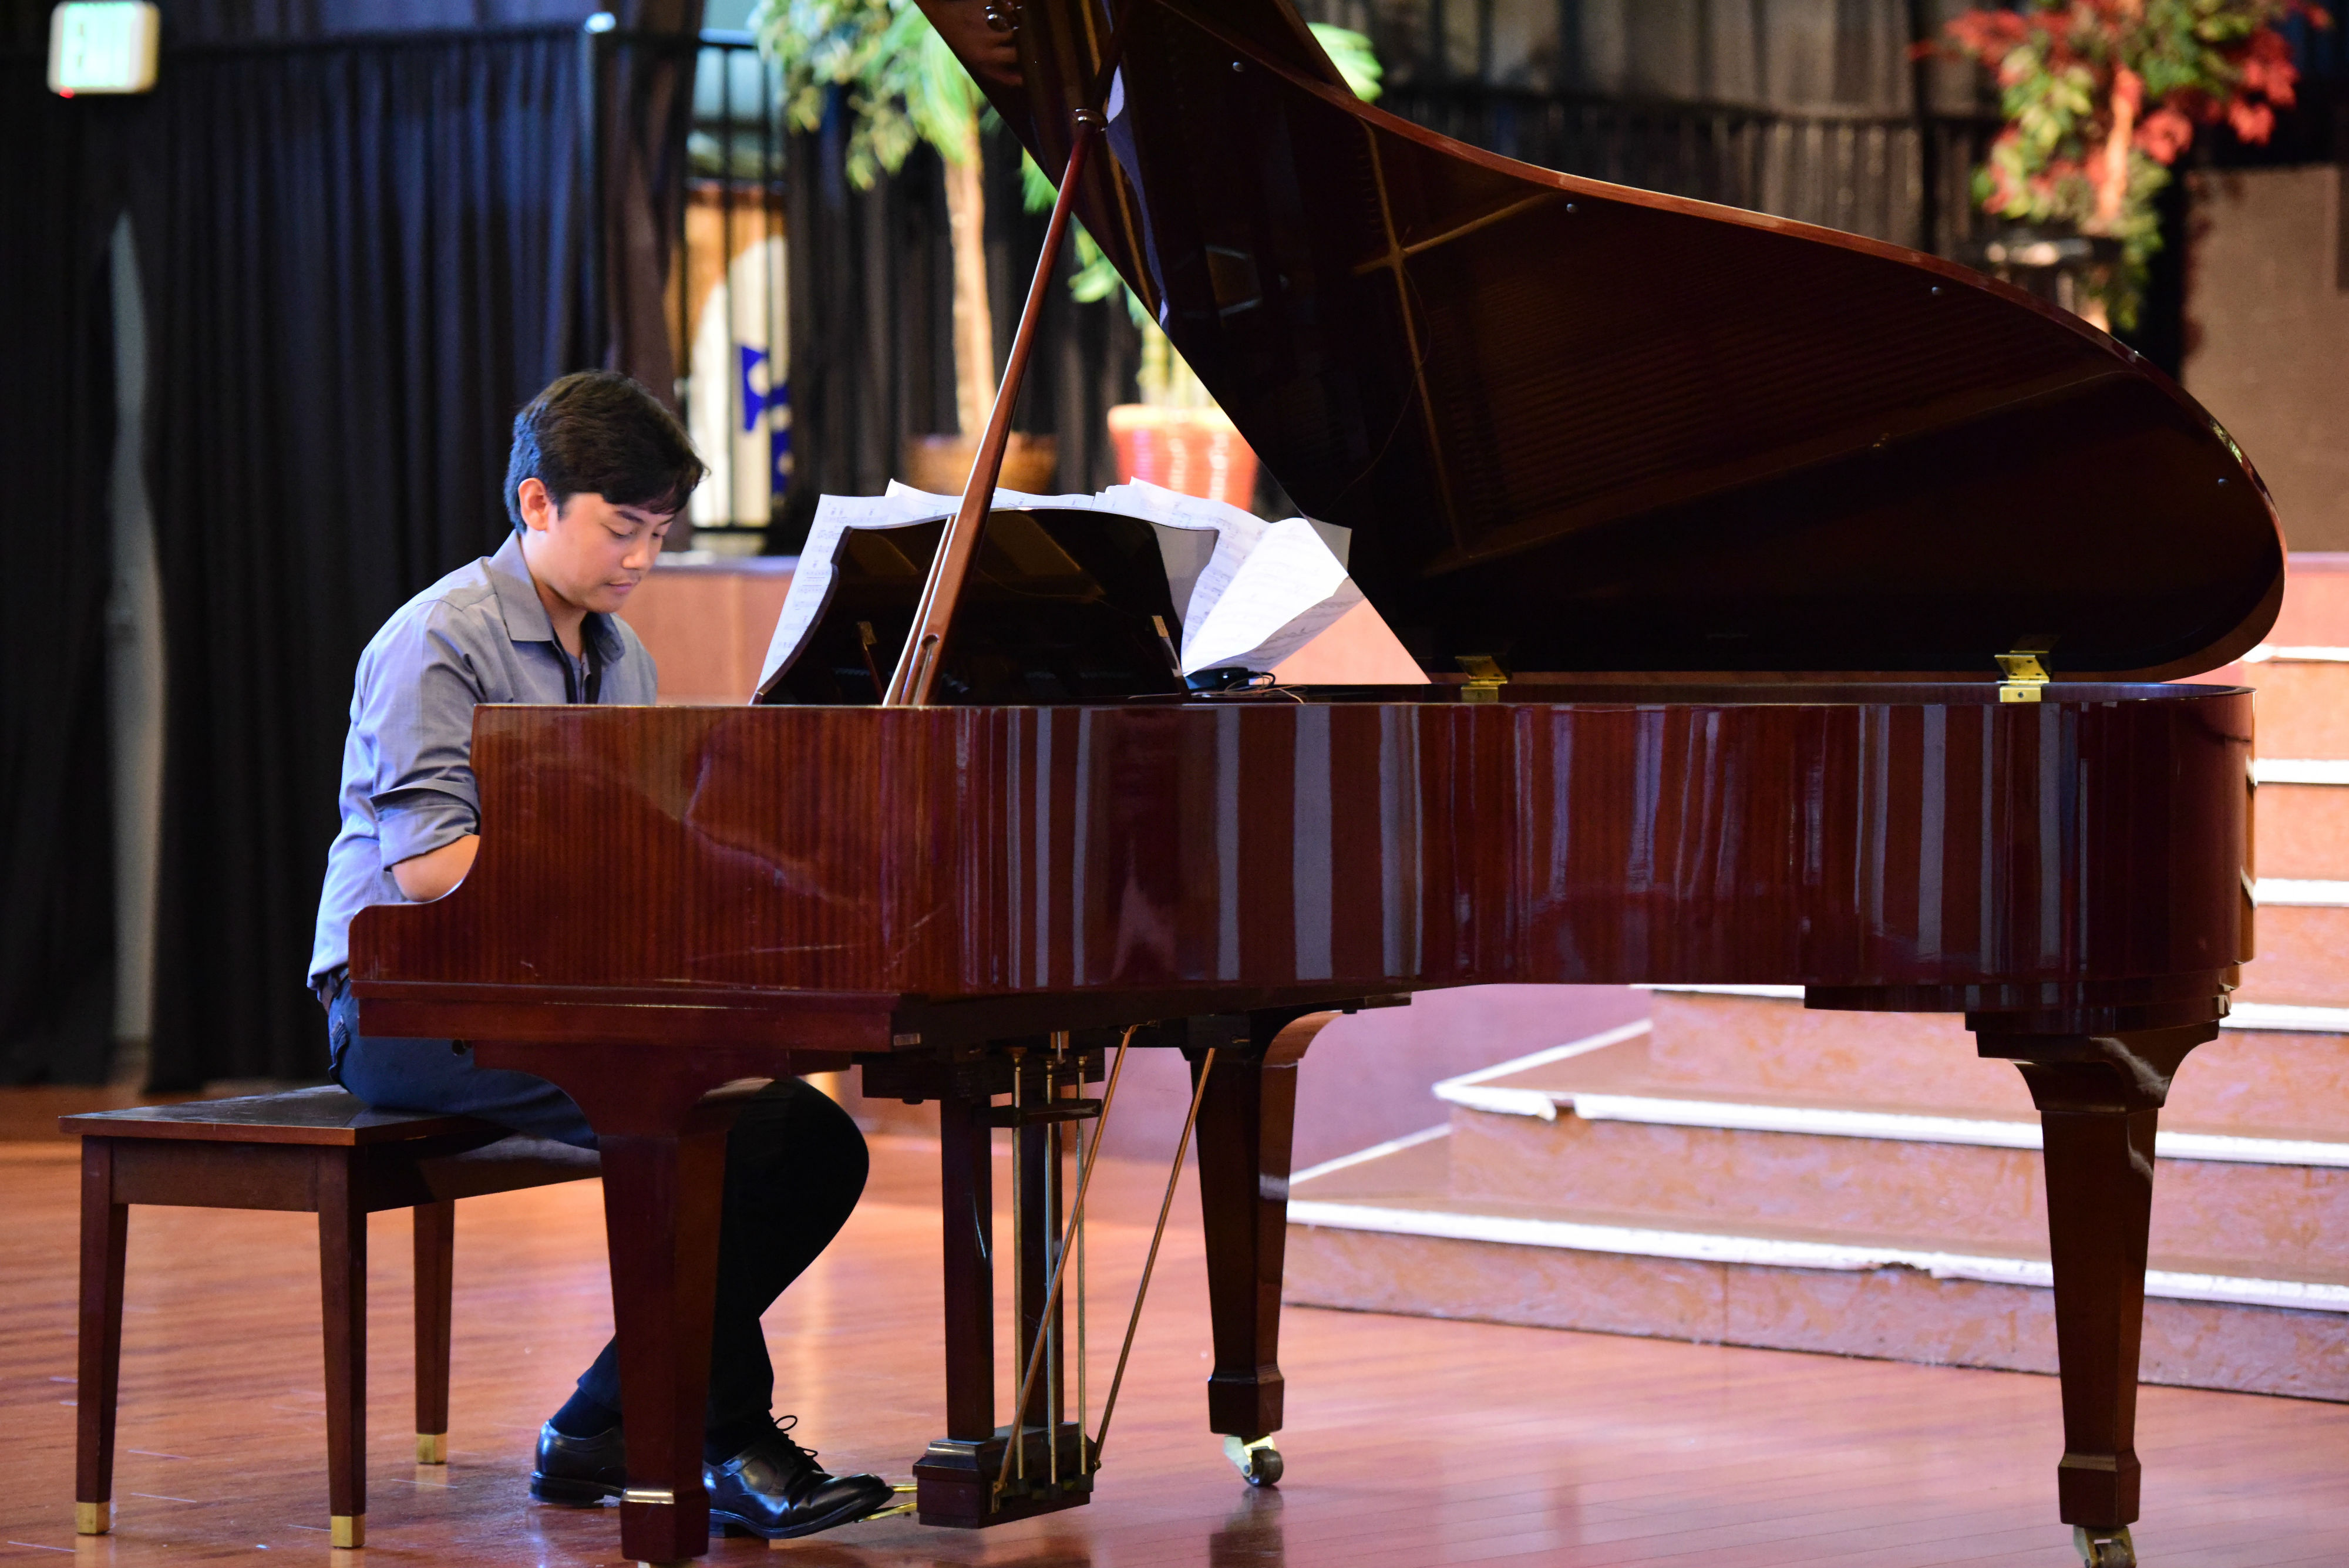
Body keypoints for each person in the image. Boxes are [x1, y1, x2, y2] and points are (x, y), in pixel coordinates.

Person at [307, 370, 891, 1540]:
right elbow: (427, 870)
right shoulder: (436, 640)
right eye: (620, 527)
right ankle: (727, 1442)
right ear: (536, 501)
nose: (641, 557)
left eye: (659, 533)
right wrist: (614, 879)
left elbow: (644, 847)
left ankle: (599, 1419)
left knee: (810, 1140)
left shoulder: (621, 659)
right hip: (408, 1006)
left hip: (556, 997)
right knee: (710, 1125)